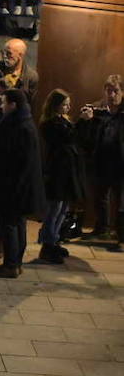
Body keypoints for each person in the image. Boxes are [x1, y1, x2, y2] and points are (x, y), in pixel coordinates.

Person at [0, 88, 44, 278]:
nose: (2, 105)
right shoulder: (21, 123)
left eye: (5, 102)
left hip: (13, 188)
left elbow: (15, 161)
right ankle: (15, 263)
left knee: (11, 225)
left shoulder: (20, 127)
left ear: (14, 105)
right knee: (17, 224)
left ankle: (11, 264)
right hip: (17, 187)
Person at [37, 89, 85, 264]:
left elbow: (76, 138)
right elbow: (66, 138)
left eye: (68, 104)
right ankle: (47, 244)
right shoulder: (50, 124)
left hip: (67, 173)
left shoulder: (64, 121)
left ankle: (54, 239)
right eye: (64, 104)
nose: (68, 107)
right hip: (57, 172)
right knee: (54, 209)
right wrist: (81, 122)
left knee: (63, 209)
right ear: (55, 105)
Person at [76, 75, 124, 249]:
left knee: (121, 200)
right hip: (102, 161)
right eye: (109, 91)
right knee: (100, 197)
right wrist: (86, 120)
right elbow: (85, 135)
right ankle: (102, 228)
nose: (112, 95)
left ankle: (121, 235)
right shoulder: (97, 109)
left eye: (115, 91)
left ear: (122, 92)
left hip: (121, 163)